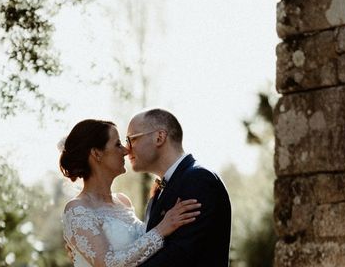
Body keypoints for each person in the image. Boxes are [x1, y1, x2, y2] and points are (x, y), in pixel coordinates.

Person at [60, 119, 202, 267]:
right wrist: (161, 229)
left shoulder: (123, 201)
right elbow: (108, 263)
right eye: (117, 144)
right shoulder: (77, 209)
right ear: (97, 153)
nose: (126, 150)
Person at [126, 109, 232, 266]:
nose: (127, 148)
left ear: (159, 137)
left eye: (131, 139)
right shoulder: (163, 187)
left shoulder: (199, 180)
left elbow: (180, 257)